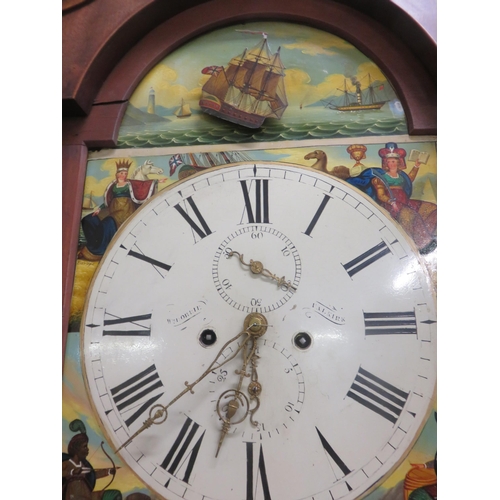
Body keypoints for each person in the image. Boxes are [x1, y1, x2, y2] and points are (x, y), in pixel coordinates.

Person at [79, 159, 160, 260]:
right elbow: (108, 200)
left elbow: (142, 186)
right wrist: (99, 209)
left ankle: (100, 252)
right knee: (88, 220)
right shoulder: (113, 185)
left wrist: (156, 181)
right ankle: (92, 247)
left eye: (125, 173)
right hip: (111, 209)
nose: (124, 175)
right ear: (117, 174)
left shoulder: (130, 184)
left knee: (107, 224)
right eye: (122, 173)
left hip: (125, 210)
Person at [371, 143, 437, 253]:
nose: (392, 163)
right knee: (409, 216)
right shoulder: (381, 178)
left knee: (431, 209)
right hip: (391, 204)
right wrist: (391, 202)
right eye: (389, 161)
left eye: (394, 161)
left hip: (405, 201)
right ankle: (421, 245)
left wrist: (416, 166)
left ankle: (429, 237)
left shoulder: (401, 176)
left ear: (398, 162)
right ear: (386, 163)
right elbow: (381, 195)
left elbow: (409, 179)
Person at [62, 420, 121, 500]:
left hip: (88, 495)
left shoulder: (83, 464)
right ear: (77, 448)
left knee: (114, 495)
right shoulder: (67, 464)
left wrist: (108, 472)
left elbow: (93, 475)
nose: (87, 449)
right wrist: (72, 472)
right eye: (85, 446)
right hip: (74, 496)